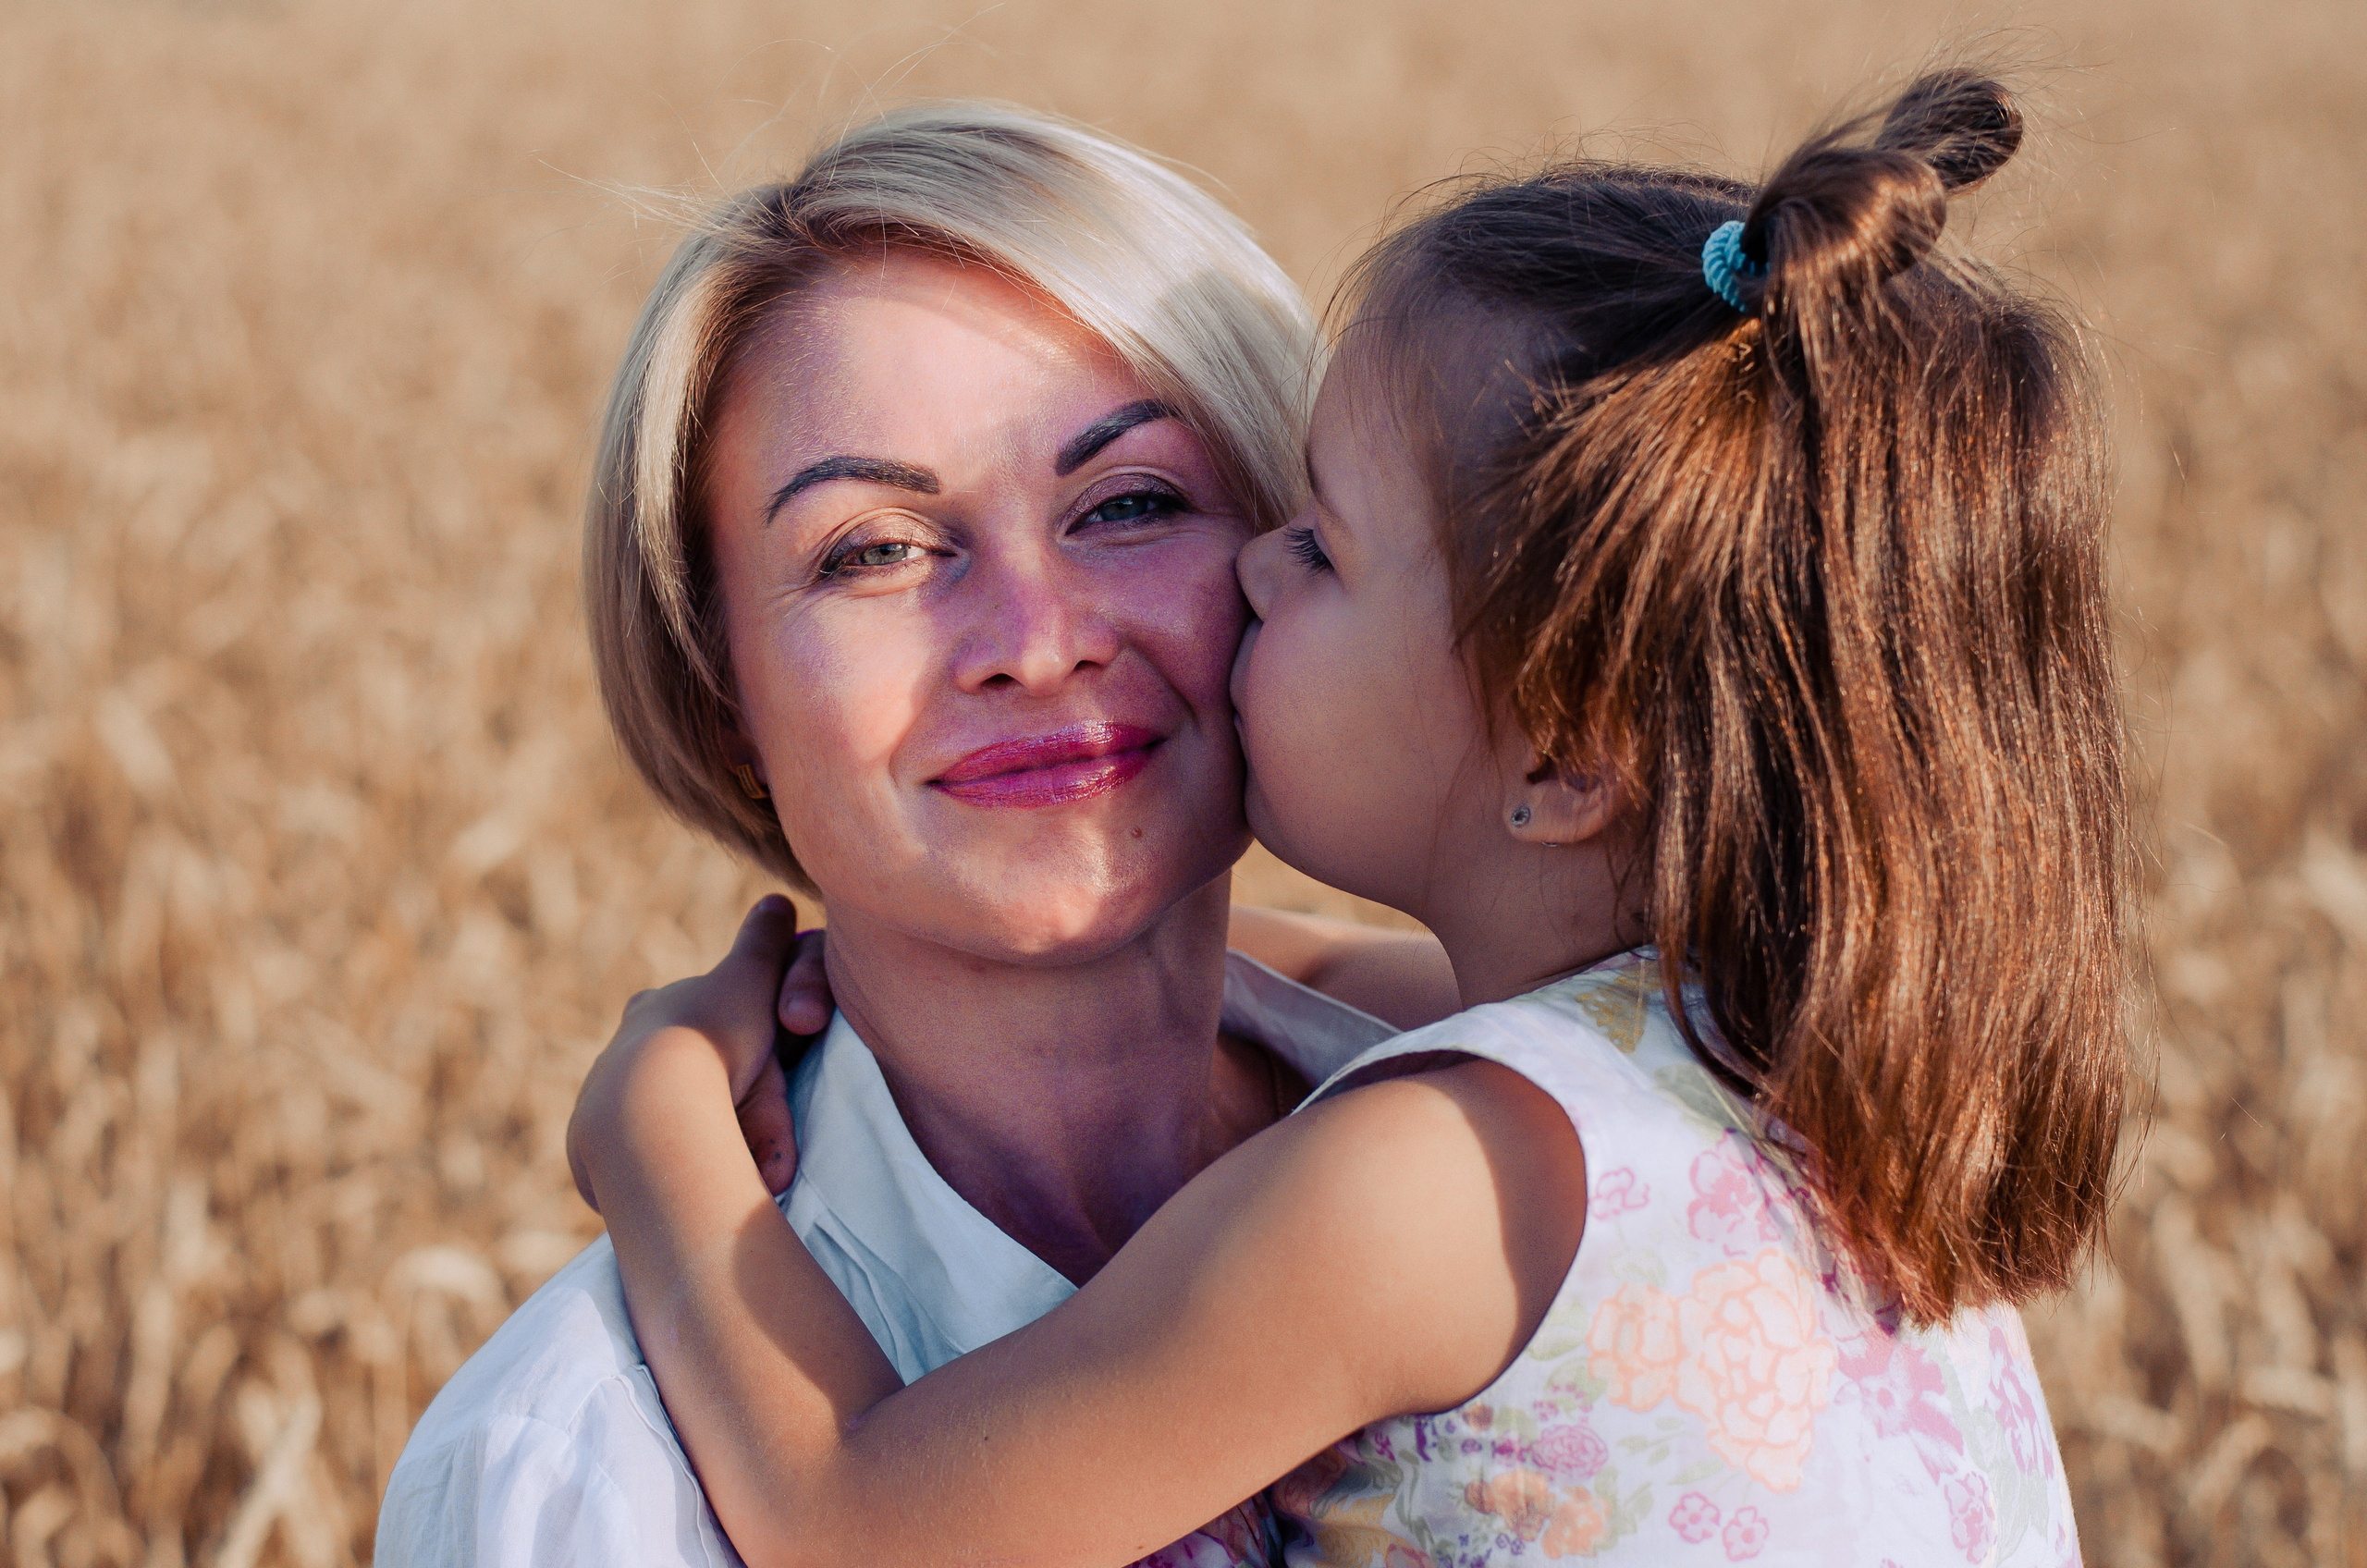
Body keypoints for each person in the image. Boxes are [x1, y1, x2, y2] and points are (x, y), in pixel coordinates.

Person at [572, 68, 2132, 1565]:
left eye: (1318, 546)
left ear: (1566, 760)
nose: (1256, 569)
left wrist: (655, 1124)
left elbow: (851, 1518)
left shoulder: (1416, 1187)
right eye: (874, 550)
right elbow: (1307, 972)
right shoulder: (1760, 1045)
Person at [374, 102, 1459, 1568]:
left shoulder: (1558, 1098)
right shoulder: (583, 1471)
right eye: (874, 551)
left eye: (1128, 503)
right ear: (720, 693)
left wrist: (659, 1115)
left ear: (1289, 554)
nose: (1035, 642)